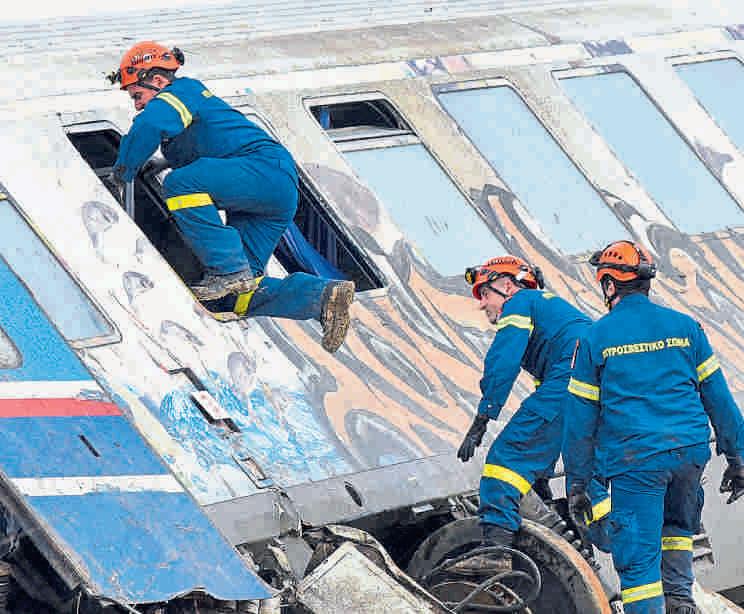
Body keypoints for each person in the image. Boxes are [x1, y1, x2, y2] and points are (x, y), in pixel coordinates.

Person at [107, 41, 353, 352]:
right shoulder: (188, 104)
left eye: (137, 96)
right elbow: (211, 142)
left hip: (262, 171)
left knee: (181, 184)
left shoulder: (179, 93)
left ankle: (227, 270)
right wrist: (163, 161)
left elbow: (149, 125)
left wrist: (122, 172)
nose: (137, 106)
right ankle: (323, 297)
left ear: (157, 80)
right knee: (237, 295)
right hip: (273, 189)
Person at [564, 240, 744, 614]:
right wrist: (738, 457)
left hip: (637, 461)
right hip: (689, 454)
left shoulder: (595, 338)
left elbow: (580, 424)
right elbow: (720, 401)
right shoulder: (686, 327)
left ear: (609, 285)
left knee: (638, 563)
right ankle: (680, 603)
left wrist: (578, 484)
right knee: (677, 532)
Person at [457, 255, 593, 569]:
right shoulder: (553, 312)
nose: (482, 304)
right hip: (590, 393)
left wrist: (482, 418)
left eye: (485, 294)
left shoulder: (520, 303)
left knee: (504, 463)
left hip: (568, 386)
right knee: (536, 473)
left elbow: (503, 362)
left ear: (507, 286)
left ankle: (495, 554)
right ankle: (564, 537)